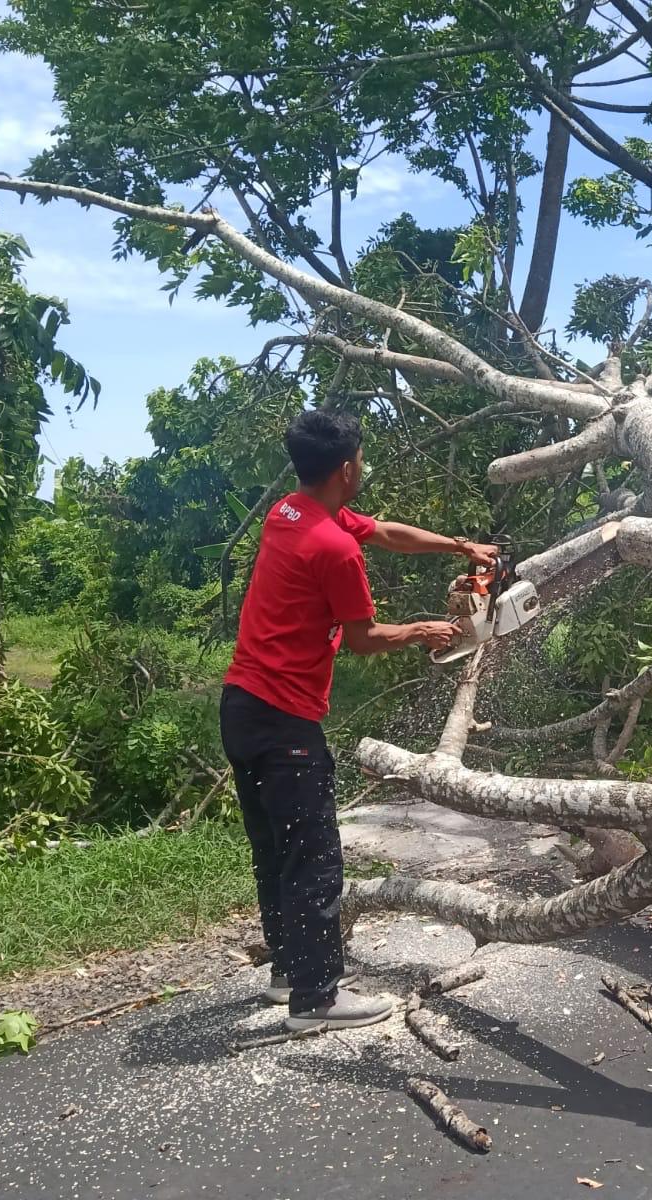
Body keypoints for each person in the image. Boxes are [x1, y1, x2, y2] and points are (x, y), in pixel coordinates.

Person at [220, 408, 497, 1031]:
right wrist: (424, 630)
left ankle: (290, 972)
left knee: (274, 849)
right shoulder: (334, 550)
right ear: (348, 468)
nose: (362, 468)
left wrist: (460, 545)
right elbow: (364, 638)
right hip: (286, 721)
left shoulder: (291, 513)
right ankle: (316, 1000)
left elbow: (387, 532)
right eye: (361, 460)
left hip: (240, 708)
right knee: (315, 855)